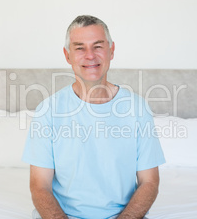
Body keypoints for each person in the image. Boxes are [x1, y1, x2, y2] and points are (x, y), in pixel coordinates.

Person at [22, 15, 165, 219]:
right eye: (79, 47)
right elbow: (39, 186)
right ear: (67, 55)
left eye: (97, 46)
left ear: (111, 50)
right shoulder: (48, 110)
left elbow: (149, 182)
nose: (90, 55)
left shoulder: (137, 108)